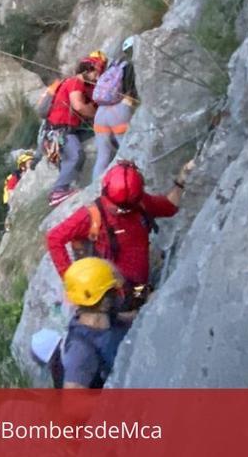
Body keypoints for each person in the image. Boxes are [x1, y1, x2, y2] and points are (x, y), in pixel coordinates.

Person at [46, 159, 193, 293]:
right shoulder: (99, 215)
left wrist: (182, 180)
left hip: (134, 291)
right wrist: (74, 282)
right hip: (117, 297)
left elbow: (168, 207)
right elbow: (54, 238)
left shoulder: (135, 205)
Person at [37, 54, 106, 207]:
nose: (97, 77)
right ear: (87, 70)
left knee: (95, 134)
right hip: (60, 131)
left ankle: (67, 184)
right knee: (76, 155)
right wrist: (98, 114)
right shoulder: (76, 82)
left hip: (65, 129)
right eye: (96, 72)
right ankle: (58, 191)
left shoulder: (77, 84)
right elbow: (79, 106)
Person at [59, 257, 130, 388]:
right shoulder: (81, 351)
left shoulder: (107, 317)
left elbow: (130, 319)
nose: (118, 293)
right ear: (104, 300)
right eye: (113, 290)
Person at [91, 36, 139, 183]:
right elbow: (133, 91)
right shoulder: (133, 66)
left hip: (101, 113)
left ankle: (95, 188)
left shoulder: (114, 65)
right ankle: (129, 184)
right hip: (120, 111)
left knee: (103, 156)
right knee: (127, 150)